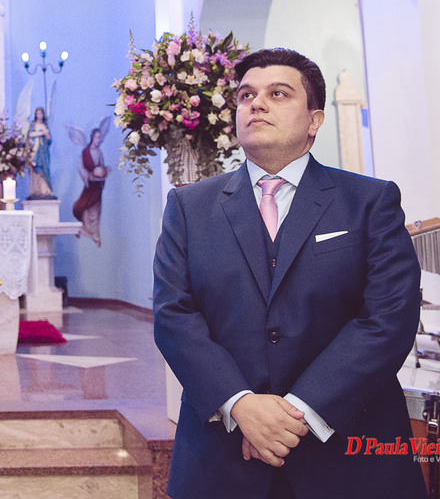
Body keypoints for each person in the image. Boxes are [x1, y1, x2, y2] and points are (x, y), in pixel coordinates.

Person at [153, 48, 425, 499]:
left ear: (314, 120)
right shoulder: (188, 207)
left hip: (349, 458)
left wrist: (296, 412)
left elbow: (388, 319)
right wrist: (240, 405)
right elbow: (173, 316)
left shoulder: (369, 202)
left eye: (278, 93)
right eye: (245, 95)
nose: (255, 104)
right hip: (224, 460)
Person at [27, 107, 54, 198]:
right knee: (35, 169)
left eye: (41, 113)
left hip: (43, 152)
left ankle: (45, 189)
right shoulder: (33, 125)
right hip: (35, 150)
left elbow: (49, 141)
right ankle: (36, 190)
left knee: (44, 169)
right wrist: (41, 133)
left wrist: (47, 136)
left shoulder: (45, 126)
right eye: (37, 113)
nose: (39, 115)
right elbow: (30, 135)